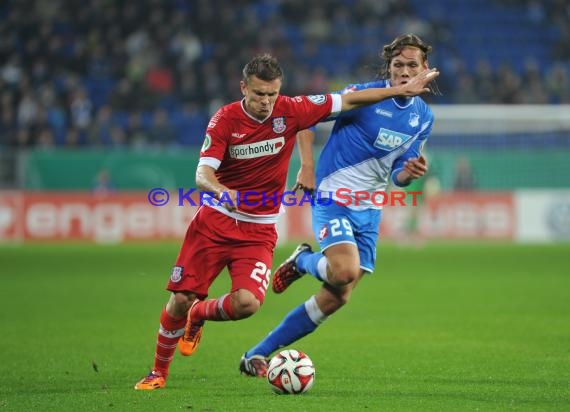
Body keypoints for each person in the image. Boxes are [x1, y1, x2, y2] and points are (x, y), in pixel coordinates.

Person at [134, 53, 438, 390]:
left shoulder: (291, 110)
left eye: (272, 94)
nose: (266, 102)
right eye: (258, 94)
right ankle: (158, 372)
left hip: (259, 229)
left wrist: (400, 92)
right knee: (180, 299)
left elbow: (349, 99)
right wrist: (220, 190)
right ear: (243, 89)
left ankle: (200, 315)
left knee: (247, 304)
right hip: (215, 221)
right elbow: (202, 172)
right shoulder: (225, 120)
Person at [239, 34, 438, 377]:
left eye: (412, 65)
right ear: (389, 68)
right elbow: (303, 118)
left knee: (337, 297)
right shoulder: (361, 94)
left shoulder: (423, 117)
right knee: (344, 271)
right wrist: (307, 166)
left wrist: (410, 172)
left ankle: (256, 354)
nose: (404, 71)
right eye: (398, 65)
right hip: (334, 197)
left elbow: (400, 176)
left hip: (370, 209)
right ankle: (302, 260)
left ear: (425, 70)